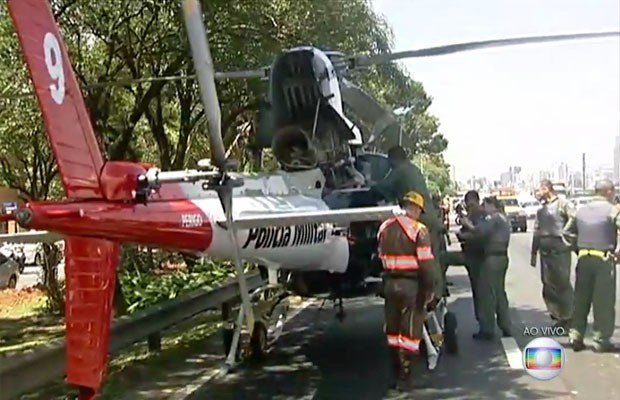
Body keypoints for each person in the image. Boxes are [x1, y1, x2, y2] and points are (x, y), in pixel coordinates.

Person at [377, 191, 439, 390]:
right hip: (411, 286)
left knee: (393, 332)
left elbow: (380, 255)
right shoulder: (419, 230)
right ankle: (406, 377)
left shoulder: (384, 227)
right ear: (416, 209)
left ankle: (395, 373)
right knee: (411, 333)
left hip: (390, 285)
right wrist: (430, 290)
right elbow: (426, 264)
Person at [370, 145, 446, 292]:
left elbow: (381, 189)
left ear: (393, 159)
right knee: (432, 258)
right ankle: (436, 294)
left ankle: (422, 294)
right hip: (430, 217)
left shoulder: (399, 171)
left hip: (418, 218)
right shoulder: (414, 169)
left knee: (412, 255)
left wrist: (368, 184)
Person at [563, 179, 619, 352]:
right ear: (608, 192)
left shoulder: (581, 211)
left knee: (581, 300)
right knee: (603, 302)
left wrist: (578, 249)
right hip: (603, 259)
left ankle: (575, 335)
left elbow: (566, 232)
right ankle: (601, 340)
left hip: (583, 259)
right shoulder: (613, 210)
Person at [460, 196, 512, 340]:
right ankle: (506, 325)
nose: (484, 208)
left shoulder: (493, 218)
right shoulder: (503, 218)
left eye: (486, 205)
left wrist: (467, 224)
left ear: (492, 206)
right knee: (500, 292)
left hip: (492, 258)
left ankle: (487, 329)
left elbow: (480, 232)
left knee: (487, 294)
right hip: (501, 257)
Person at [530, 179, 575, 330]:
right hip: (545, 251)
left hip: (560, 249)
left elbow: (574, 217)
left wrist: (566, 233)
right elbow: (536, 231)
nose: (537, 193)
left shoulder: (563, 203)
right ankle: (556, 316)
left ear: (546, 189)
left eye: (539, 190)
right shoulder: (541, 210)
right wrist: (533, 253)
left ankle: (568, 316)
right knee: (548, 285)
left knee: (562, 283)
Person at [456, 190, 486, 322]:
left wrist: (464, 234)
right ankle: (482, 319)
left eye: (470, 204)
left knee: (480, 290)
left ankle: (484, 320)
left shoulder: (480, 214)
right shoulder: (473, 213)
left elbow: (479, 234)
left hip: (477, 255)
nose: (469, 207)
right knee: (477, 289)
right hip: (470, 253)